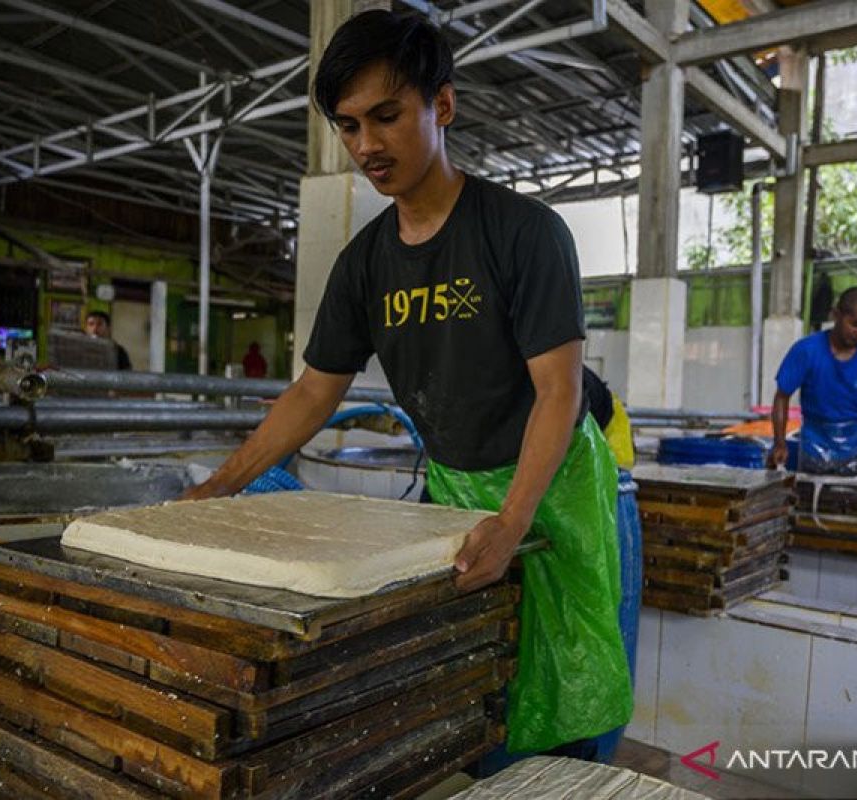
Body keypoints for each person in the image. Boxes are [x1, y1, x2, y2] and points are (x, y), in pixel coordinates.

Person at [182, 10, 631, 759]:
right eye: (349, 125)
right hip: (453, 493)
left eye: (386, 117)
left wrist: (514, 520)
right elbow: (312, 394)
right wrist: (213, 491)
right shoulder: (363, 266)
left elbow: (560, 394)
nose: (366, 146)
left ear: (442, 106)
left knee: (566, 678)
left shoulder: (525, 234)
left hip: (552, 492)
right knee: (468, 686)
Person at [768, 286, 857, 475]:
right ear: (836, 315)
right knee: (814, 501)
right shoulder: (806, 351)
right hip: (814, 448)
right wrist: (779, 443)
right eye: (855, 324)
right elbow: (782, 395)